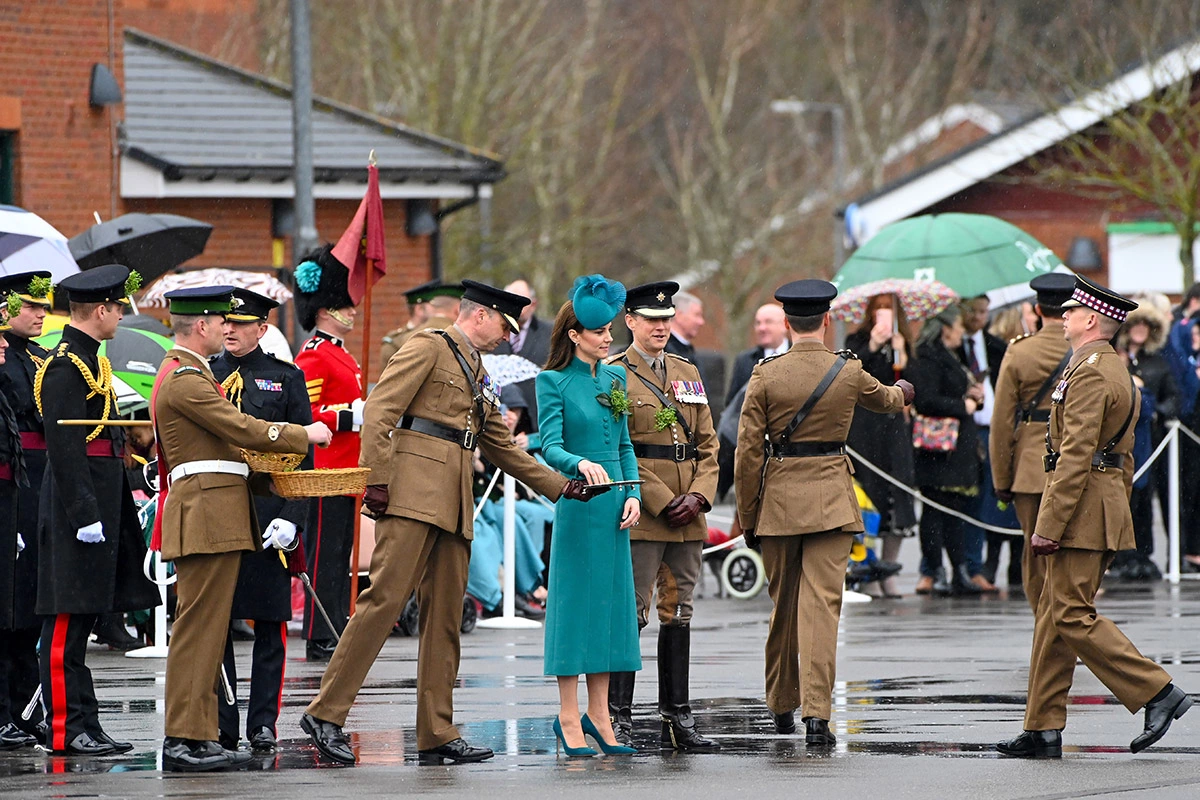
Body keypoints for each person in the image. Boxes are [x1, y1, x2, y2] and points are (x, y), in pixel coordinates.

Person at [301, 280, 591, 766]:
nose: (507, 336)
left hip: (453, 503)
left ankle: (436, 732)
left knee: (445, 621)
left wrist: (560, 486)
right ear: (478, 315)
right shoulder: (428, 346)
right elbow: (382, 412)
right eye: (503, 324)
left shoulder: (475, 366)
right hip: (412, 495)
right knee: (382, 603)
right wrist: (376, 479)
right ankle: (326, 713)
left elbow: (497, 443)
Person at [997, 276, 1192, 759]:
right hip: (1095, 504)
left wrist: (1049, 524)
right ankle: (1042, 726)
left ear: (1091, 320)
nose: (1062, 316)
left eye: (1071, 311)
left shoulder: (1091, 372)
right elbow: (1120, 459)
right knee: (1053, 615)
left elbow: (1076, 456)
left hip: (1080, 507)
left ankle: (1157, 691)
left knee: (1068, 613)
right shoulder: (1103, 366)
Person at [154, 286, 328, 771]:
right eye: (218, 320)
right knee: (198, 632)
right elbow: (242, 428)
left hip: (223, 513)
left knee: (209, 633)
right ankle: (184, 740)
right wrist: (303, 433)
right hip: (207, 515)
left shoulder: (196, 373)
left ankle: (200, 734)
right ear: (202, 326)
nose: (226, 327)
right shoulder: (189, 377)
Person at [734, 279, 912, 746]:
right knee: (822, 609)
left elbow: (748, 453)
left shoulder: (765, 375)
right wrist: (905, 389)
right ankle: (817, 715)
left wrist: (748, 515)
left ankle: (780, 704)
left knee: (784, 607)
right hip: (832, 500)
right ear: (827, 320)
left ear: (788, 323)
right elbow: (888, 401)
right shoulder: (847, 370)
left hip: (779, 504)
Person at [35, 264, 161, 756]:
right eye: (119, 308)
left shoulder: (92, 360)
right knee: (67, 625)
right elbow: (65, 448)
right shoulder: (66, 364)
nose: (121, 317)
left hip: (101, 502)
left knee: (84, 618)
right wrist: (84, 513)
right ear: (103, 309)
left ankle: (87, 722)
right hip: (77, 511)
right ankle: (67, 728)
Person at [605, 281, 720, 752]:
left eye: (666, 320)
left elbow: (709, 446)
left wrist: (698, 497)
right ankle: (618, 716)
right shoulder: (613, 372)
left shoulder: (686, 371)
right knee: (632, 613)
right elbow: (615, 446)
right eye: (652, 321)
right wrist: (659, 499)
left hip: (688, 513)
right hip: (644, 512)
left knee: (680, 611)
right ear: (629, 321)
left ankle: (678, 716)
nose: (661, 328)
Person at [537, 274, 641, 757]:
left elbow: (623, 443)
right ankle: (566, 714)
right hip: (578, 505)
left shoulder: (617, 377)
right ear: (574, 335)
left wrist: (633, 493)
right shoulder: (551, 381)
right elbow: (548, 446)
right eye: (599, 332)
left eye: (610, 330)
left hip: (615, 507)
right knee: (575, 608)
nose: (609, 338)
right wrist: (578, 463)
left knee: (609, 611)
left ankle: (600, 715)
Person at [211, 288, 315, 754]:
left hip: (268, 510)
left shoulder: (286, 378)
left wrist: (293, 517)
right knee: (218, 621)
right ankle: (223, 720)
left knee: (271, 621)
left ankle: (263, 723)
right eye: (224, 322)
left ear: (263, 328)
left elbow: (303, 454)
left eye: (240, 322)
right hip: (219, 508)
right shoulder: (206, 374)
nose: (230, 329)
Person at [293, 246, 363, 662]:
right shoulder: (314, 355)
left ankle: (335, 621)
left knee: (339, 553)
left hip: (346, 467)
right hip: (325, 467)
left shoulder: (341, 354)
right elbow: (307, 413)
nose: (350, 312)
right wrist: (347, 418)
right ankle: (321, 631)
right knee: (324, 553)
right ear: (323, 310)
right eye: (341, 306)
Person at [990, 273, 1074, 607]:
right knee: (1070, 553)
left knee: (1035, 554)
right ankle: (1067, 620)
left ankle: (1045, 626)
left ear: (1037, 309)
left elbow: (1001, 422)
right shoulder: (1088, 351)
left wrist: (1001, 478)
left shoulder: (1020, 351)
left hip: (1029, 469)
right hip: (1077, 461)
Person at [0, 271, 50, 749]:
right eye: (31, 306)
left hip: (39, 483)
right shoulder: (3, 358)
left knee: (30, 602)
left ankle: (22, 707)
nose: (40, 314)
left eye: (43, 306)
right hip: (12, 480)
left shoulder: (41, 357)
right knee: (6, 604)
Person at [905, 306, 983, 596]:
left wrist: (973, 395)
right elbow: (925, 399)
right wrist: (962, 405)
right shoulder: (927, 358)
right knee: (934, 509)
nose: (963, 332)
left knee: (954, 510)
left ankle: (958, 570)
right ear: (946, 329)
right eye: (959, 327)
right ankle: (935, 569)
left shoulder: (954, 355)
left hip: (956, 448)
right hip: (936, 450)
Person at [844, 293, 917, 598]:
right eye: (879, 309)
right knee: (869, 497)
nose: (884, 315)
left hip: (894, 430)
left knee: (896, 496)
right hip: (865, 429)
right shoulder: (856, 340)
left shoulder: (904, 343)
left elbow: (913, 386)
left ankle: (890, 567)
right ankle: (868, 570)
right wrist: (873, 345)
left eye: (889, 309)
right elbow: (853, 376)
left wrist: (903, 356)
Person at [1111, 300, 1177, 581]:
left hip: (1150, 440)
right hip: (1118, 438)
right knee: (1120, 496)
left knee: (1143, 497)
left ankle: (1142, 552)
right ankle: (1119, 554)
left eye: (1145, 326)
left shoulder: (1158, 362)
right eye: (1135, 324)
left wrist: (1156, 412)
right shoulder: (1114, 355)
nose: (1139, 330)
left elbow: (1173, 397)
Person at [955, 295, 1009, 592]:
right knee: (956, 500)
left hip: (991, 430)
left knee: (986, 499)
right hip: (962, 430)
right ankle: (950, 567)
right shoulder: (950, 347)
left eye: (983, 312)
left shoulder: (997, 347)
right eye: (972, 311)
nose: (978, 317)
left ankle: (978, 565)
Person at [380, 280, 464, 365]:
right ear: (419, 309)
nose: (436, 307)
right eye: (432, 303)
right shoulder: (395, 341)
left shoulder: (399, 339)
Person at [726, 303, 790, 405]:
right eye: (758, 323)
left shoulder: (799, 355)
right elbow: (733, 405)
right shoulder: (744, 361)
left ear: (785, 325)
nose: (761, 328)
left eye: (768, 322)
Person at [493, 278, 552, 367]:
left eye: (522, 304)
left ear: (533, 304)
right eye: (511, 302)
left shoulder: (550, 333)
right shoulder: (492, 330)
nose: (515, 308)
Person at [666, 291, 704, 362]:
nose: (701, 322)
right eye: (697, 315)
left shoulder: (687, 349)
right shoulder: (666, 350)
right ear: (679, 315)